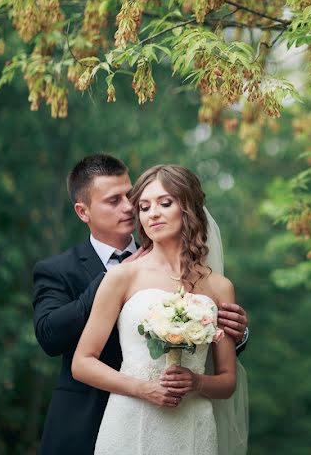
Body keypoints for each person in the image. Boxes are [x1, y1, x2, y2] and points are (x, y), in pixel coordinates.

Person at [33, 155, 249, 455]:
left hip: (190, 421)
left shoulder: (217, 285)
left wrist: (233, 333)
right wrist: (109, 279)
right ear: (83, 212)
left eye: (130, 197)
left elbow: (220, 367)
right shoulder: (70, 271)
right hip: (95, 418)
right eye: (115, 201)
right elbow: (51, 336)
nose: (131, 209)